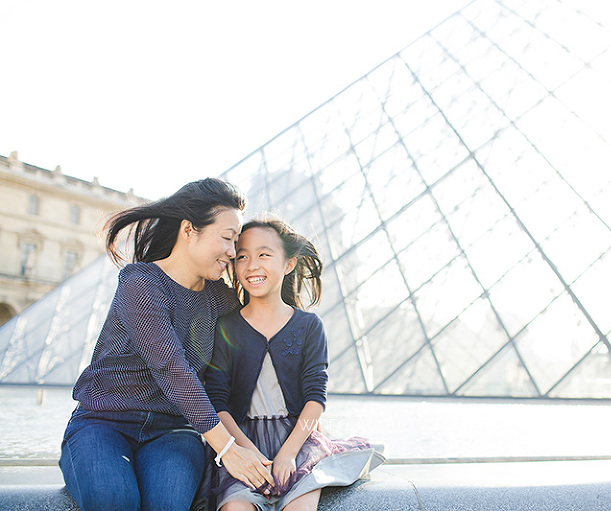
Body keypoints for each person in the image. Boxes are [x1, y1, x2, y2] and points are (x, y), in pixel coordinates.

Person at [59, 178, 274, 511]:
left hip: (173, 432)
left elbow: (258, 361)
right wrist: (228, 449)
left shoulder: (221, 300)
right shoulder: (140, 282)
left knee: (168, 505)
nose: (233, 253)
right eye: (228, 239)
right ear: (189, 230)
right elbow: (171, 369)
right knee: (114, 500)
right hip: (102, 424)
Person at [202, 218, 384, 511]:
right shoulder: (226, 326)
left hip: (298, 441)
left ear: (288, 264)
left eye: (264, 254)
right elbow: (217, 401)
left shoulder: (309, 325)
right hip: (241, 441)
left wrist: (288, 453)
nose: (251, 265)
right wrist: (247, 454)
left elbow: (315, 398)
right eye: (243, 256)